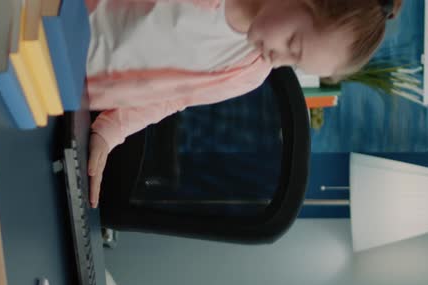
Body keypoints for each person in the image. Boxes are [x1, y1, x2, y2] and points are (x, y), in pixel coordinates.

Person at [86, 0, 403, 207]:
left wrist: (109, 131)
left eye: (294, 62)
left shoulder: (248, 73)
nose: (280, 59)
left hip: (66, 89)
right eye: (293, 43)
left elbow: (171, 99)